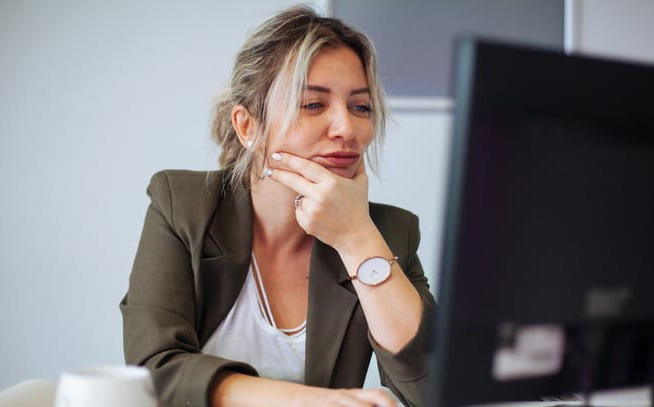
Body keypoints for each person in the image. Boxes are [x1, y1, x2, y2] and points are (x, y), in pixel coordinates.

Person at [120, 5, 435, 407]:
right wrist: (310, 402)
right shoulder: (182, 206)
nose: (347, 129)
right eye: (313, 104)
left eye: (360, 107)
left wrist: (357, 240)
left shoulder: (388, 234)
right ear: (248, 126)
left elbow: (433, 391)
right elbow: (153, 371)